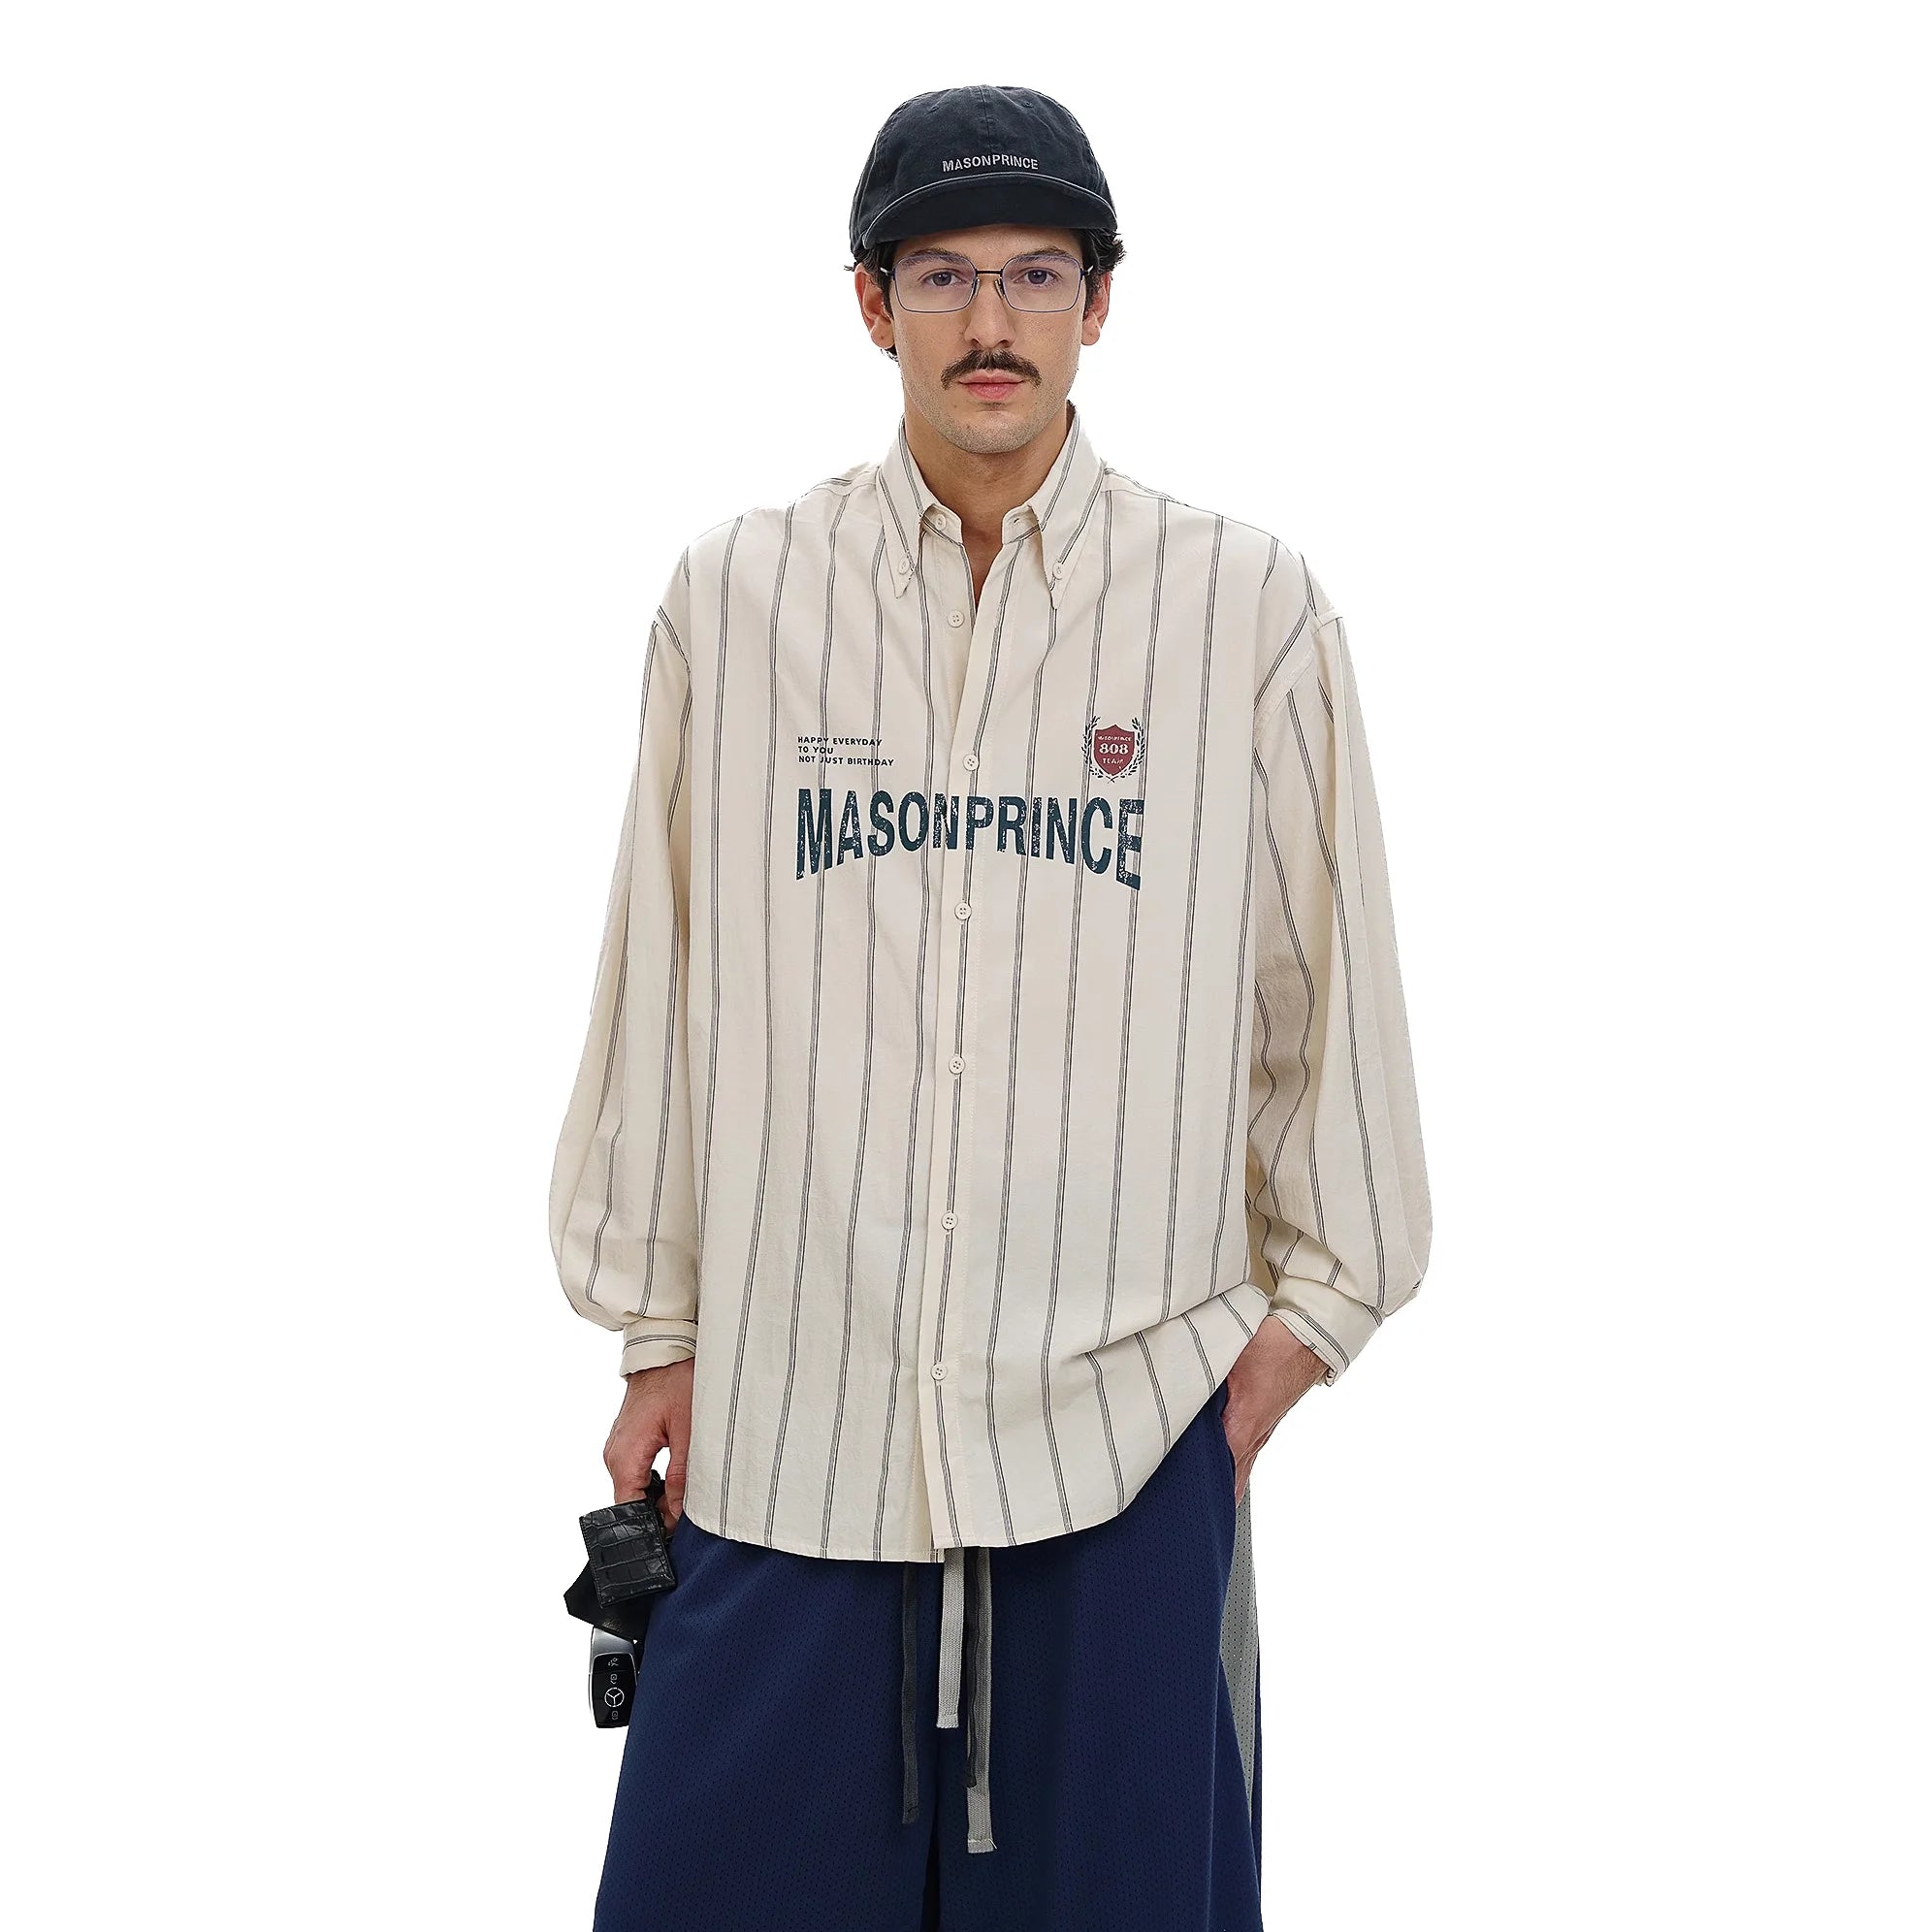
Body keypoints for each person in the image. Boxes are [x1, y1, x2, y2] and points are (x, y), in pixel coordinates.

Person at [547, 82, 1433, 1932]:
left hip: (1121, 1454)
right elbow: (663, 985)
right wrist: (656, 1330)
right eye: (943, 275)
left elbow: (1326, 1008)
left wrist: (1283, 1354)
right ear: (872, 305)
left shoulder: (1245, 611)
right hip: (792, 1444)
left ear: (1100, 302)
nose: (992, 321)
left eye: (1036, 273)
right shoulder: (737, 600)